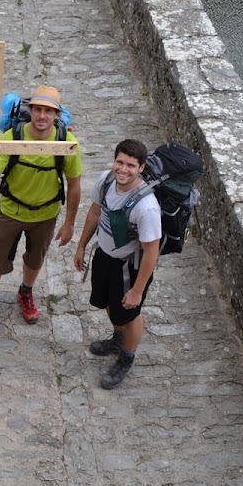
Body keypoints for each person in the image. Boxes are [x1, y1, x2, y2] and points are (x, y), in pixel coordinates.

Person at [0, 85, 82, 326]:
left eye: (48, 111)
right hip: (11, 211)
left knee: (35, 260)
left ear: (56, 115)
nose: (42, 116)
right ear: (31, 110)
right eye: (38, 109)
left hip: (46, 215)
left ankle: (26, 291)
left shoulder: (66, 142)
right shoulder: (11, 137)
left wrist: (69, 223)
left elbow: (74, 185)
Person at [73, 139, 161, 389]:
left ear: (141, 168)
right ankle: (118, 339)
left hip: (129, 268)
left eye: (131, 165)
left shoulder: (147, 208)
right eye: (120, 162)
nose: (123, 169)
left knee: (131, 314)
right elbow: (94, 212)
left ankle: (126, 357)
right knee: (108, 304)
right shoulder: (106, 181)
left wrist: (137, 290)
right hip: (104, 255)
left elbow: (151, 253)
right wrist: (81, 246)